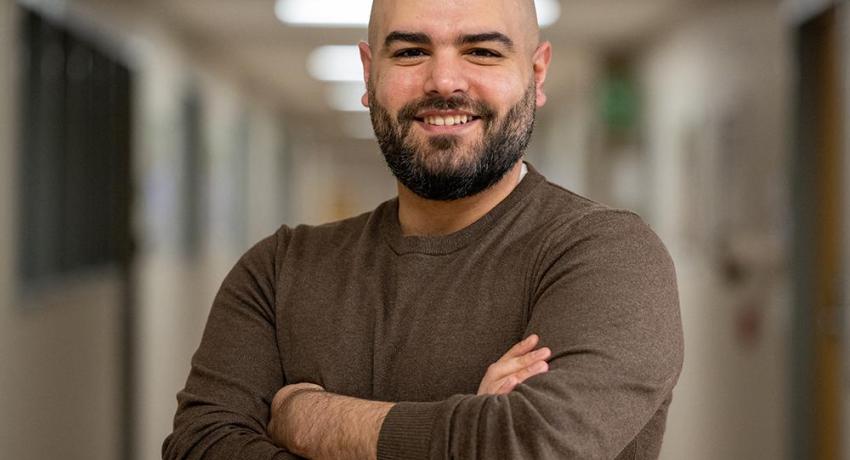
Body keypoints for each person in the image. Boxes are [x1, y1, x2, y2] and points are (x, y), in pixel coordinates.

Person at [162, 0, 684, 458]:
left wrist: (309, 419)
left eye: (482, 51)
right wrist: (468, 435)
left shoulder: (607, 257)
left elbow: (528, 445)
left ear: (537, 73)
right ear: (369, 74)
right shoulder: (277, 271)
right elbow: (200, 444)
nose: (444, 82)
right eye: (411, 51)